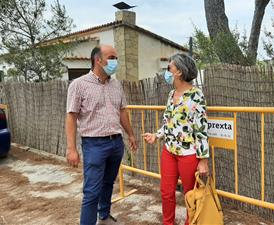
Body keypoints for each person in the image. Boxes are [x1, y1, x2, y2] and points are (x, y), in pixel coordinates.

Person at [65, 45, 137, 225]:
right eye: (112, 57)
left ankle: (104, 216)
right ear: (98, 60)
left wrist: (131, 135)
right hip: (94, 145)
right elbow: (71, 116)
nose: (115, 61)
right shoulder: (79, 85)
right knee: (91, 192)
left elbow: (122, 111)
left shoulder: (116, 84)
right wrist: (71, 148)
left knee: (108, 184)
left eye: (116, 58)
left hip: (116, 144)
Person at [143, 53, 209, 225]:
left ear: (179, 72)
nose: (167, 71)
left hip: (188, 154)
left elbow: (201, 128)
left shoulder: (196, 95)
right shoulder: (172, 93)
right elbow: (170, 123)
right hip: (169, 151)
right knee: (166, 192)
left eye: (169, 68)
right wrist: (156, 136)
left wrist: (203, 160)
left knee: (190, 194)